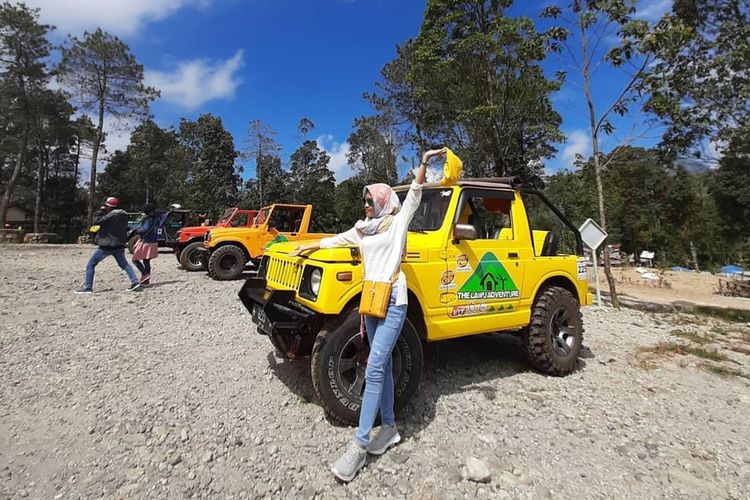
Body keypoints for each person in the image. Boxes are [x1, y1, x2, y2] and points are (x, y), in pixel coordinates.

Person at [290, 147, 448, 482]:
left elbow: (416, 195)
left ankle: (360, 445)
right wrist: (310, 246)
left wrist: (422, 162)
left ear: (382, 201)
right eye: (364, 202)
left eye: (369, 200)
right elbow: (335, 241)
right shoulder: (364, 228)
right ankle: (389, 428)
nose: (364, 206)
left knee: (375, 366)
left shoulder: (396, 223)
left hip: (394, 301)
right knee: (385, 363)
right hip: (371, 303)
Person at [74, 197, 141, 294]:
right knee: (124, 264)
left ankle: (88, 287)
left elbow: (96, 221)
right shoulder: (123, 215)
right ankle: (134, 282)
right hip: (119, 244)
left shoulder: (110, 216)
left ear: (109, 206)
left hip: (107, 245)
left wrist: (100, 212)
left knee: (91, 264)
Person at [131, 202, 160, 285]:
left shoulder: (148, 219)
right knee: (146, 261)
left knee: (135, 259)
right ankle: (146, 281)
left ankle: (144, 274)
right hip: (153, 242)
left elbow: (145, 229)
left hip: (146, 242)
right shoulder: (157, 219)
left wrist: (137, 230)